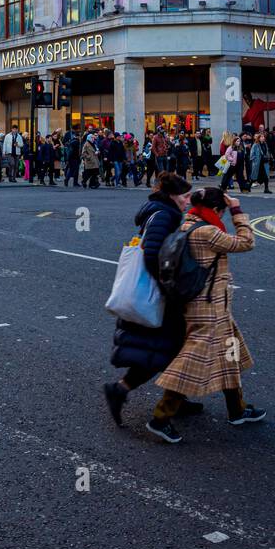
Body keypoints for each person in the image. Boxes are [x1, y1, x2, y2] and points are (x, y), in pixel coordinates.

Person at [149, 186, 264, 442]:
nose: (223, 216)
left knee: (228, 354)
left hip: (209, 305)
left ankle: (237, 409)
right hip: (207, 308)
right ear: (214, 210)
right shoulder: (208, 232)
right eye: (222, 211)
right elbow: (246, 242)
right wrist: (237, 211)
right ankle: (160, 417)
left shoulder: (186, 225)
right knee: (191, 363)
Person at [103, 174, 200, 435]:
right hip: (157, 295)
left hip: (155, 294)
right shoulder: (165, 215)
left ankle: (175, 399)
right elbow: (152, 252)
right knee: (165, 348)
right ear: (171, 194)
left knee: (171, 347)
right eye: (185, 196)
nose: (188, 201)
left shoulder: (160, 211)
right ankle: (120, 389)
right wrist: (168, 287)